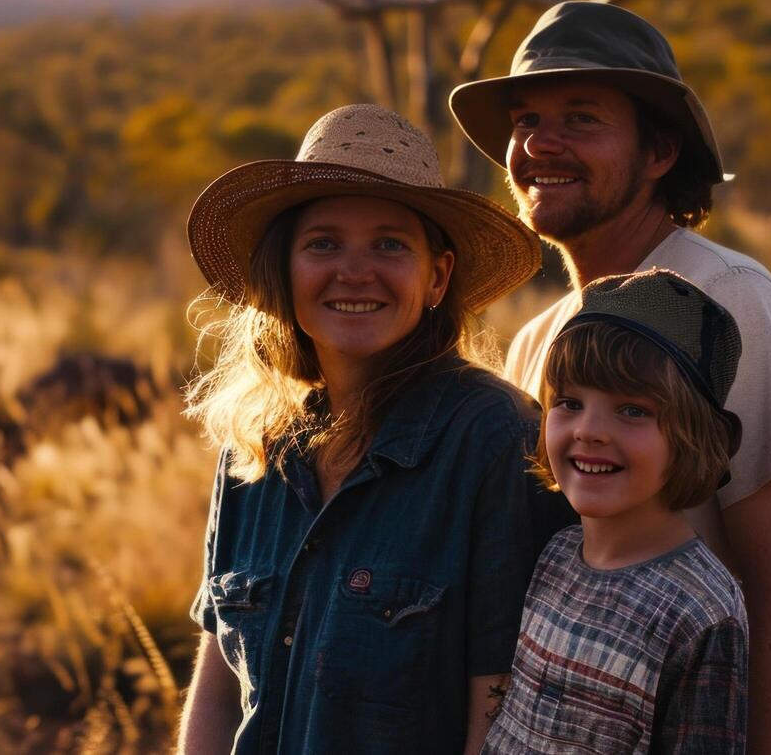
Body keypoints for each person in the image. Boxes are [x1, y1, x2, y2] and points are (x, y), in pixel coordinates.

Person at [450, 1, 771, 754]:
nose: (537, 144)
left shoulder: (729, 300)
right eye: (524, 121)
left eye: (580, 119)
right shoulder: (539, 339)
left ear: (659, 152)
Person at [175, 104, 573, 755]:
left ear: (436, 276)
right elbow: (218, 683)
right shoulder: (253, 442)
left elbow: (497, 709)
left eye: (389, 244)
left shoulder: (497, 439)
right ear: (285, 272)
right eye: (323, 243)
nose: (353, 271)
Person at [483, 269, 750, 755]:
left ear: (693, 436)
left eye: (631, 410)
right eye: (569, 402)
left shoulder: (703, 611)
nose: (590, 430)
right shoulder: (556, 556)